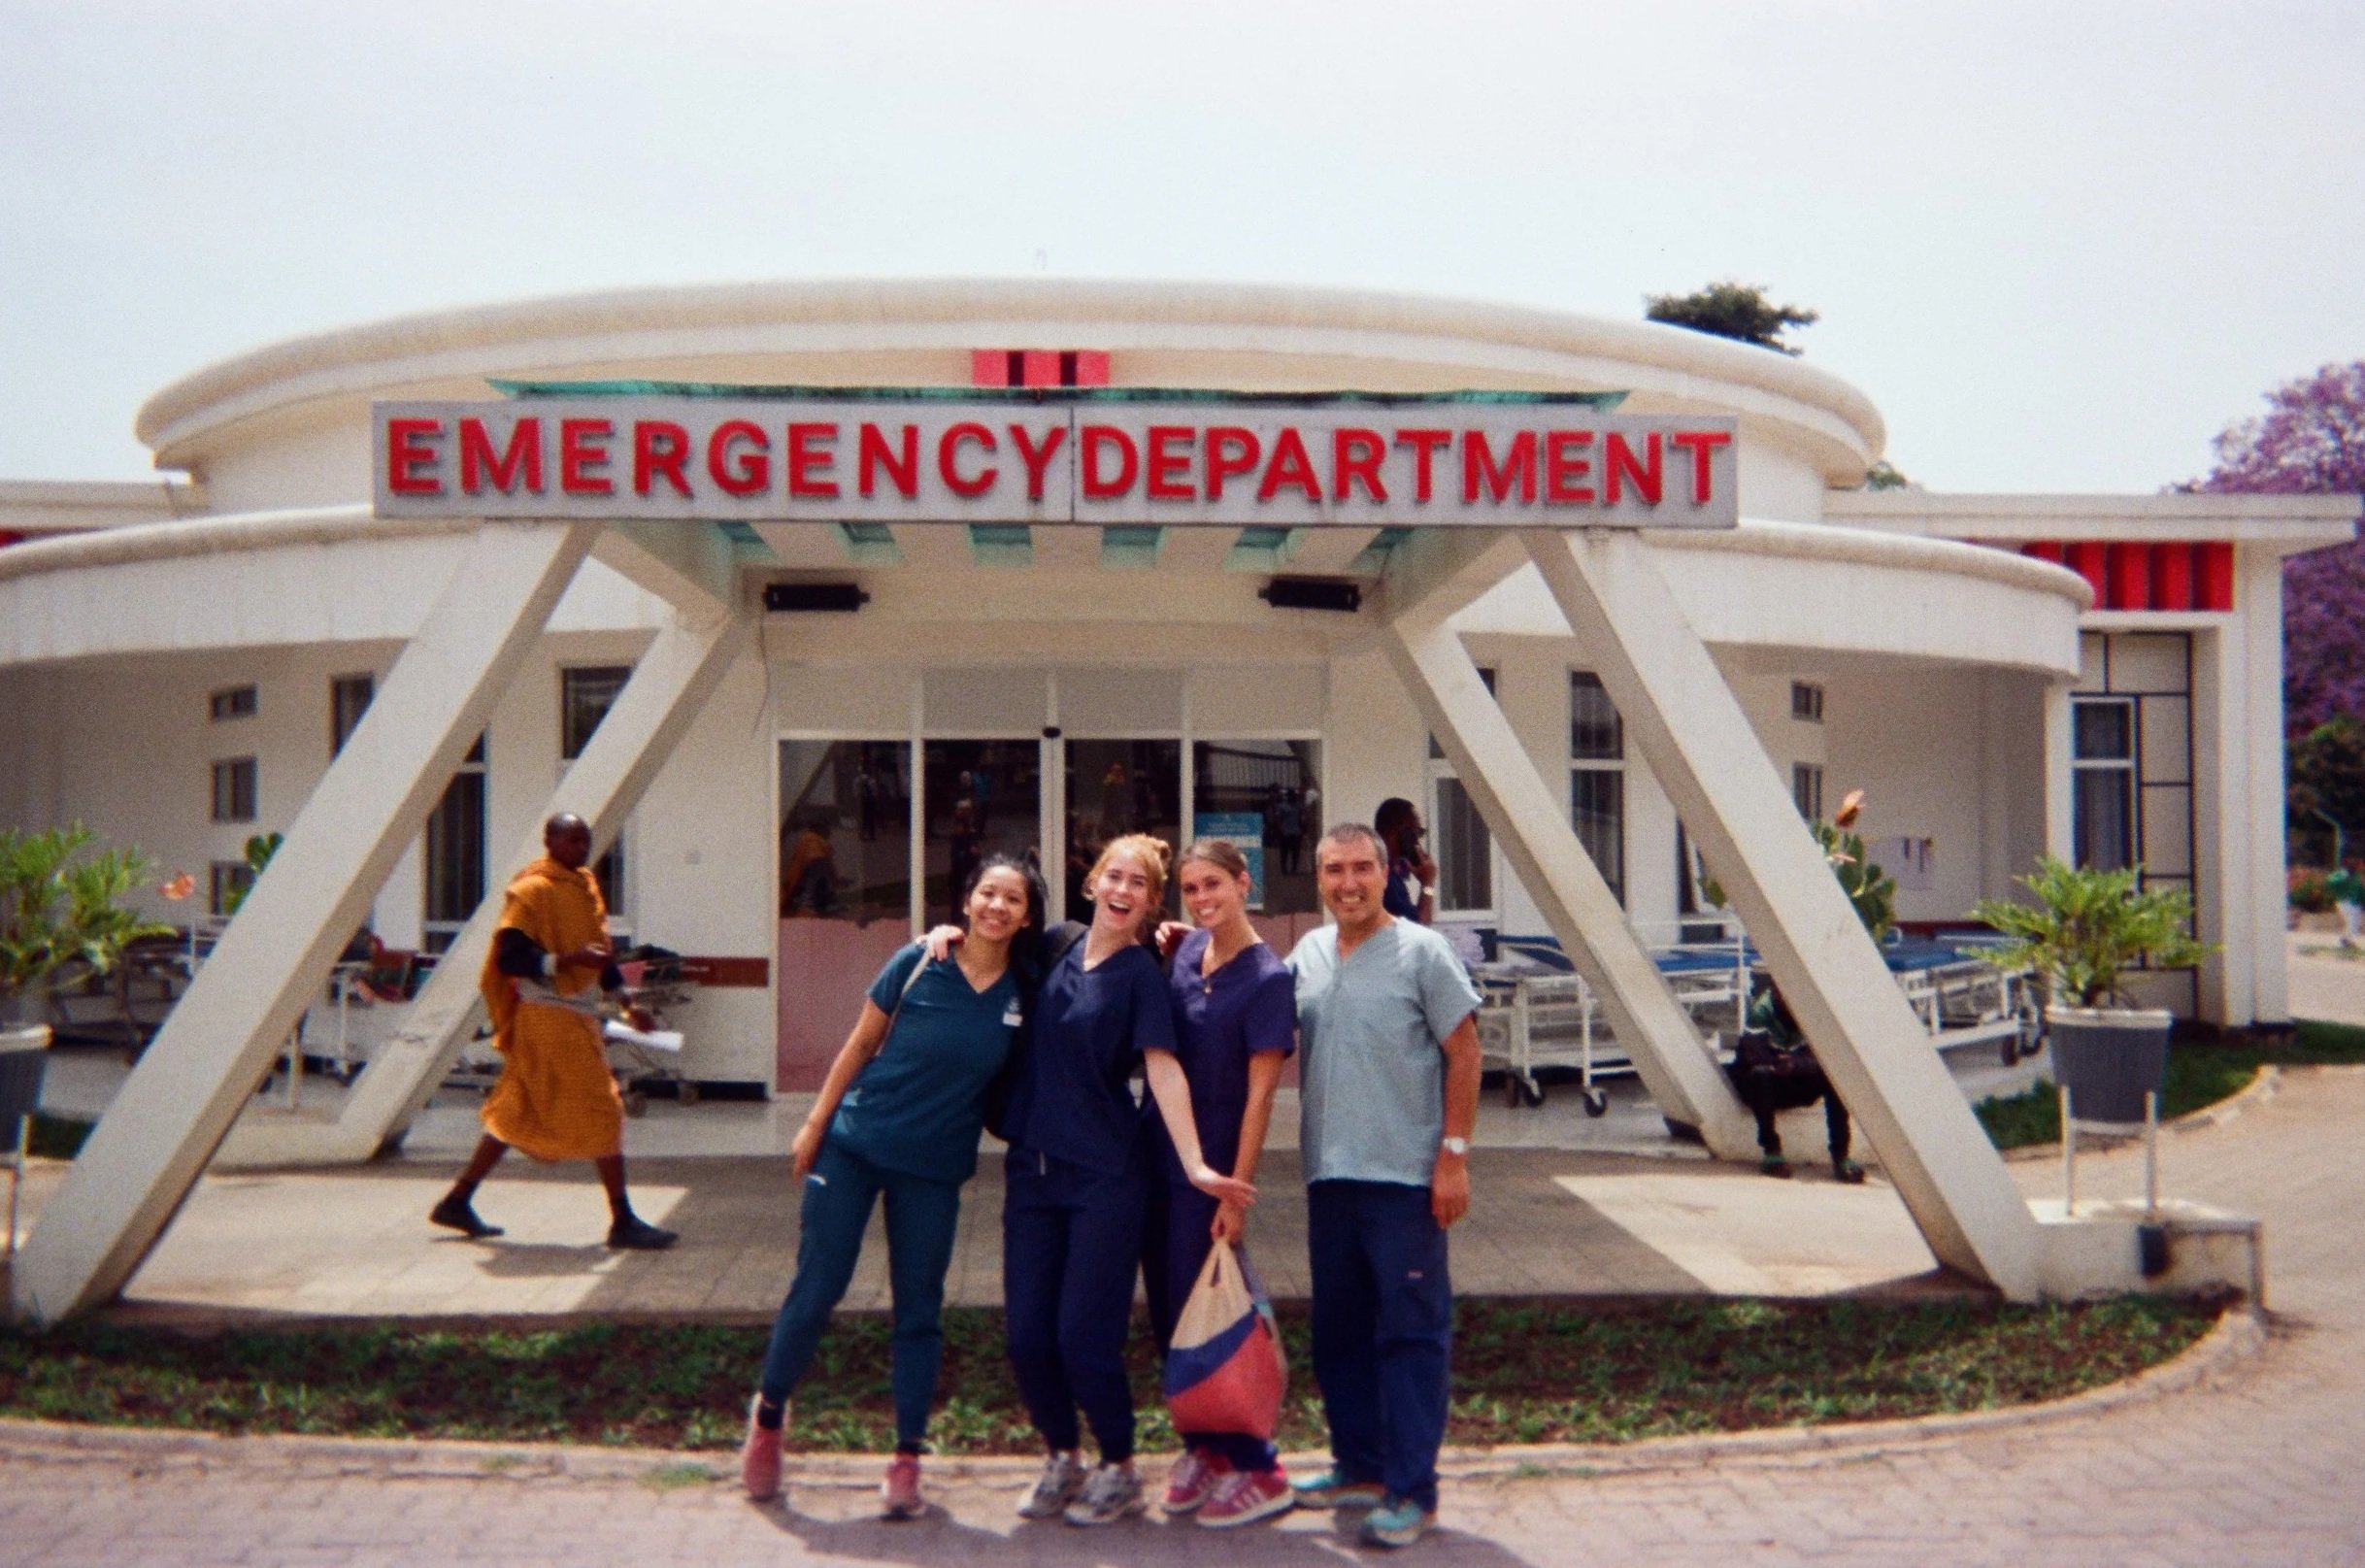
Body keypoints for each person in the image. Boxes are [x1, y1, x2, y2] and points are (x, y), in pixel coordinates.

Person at [944, 834, 1255, 1527]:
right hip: (1032, 1174)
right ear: (1092, 883)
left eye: (1139, 883)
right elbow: (988, 949)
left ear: (1149, 902)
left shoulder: (1145, 972)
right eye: (1114, 875)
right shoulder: (1052, 942)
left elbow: (1163, 1066)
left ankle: (1118, 1462)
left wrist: (1199, 1162)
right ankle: (1062, 1454)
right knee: (1027, 1336)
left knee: (1084, 1335)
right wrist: (946, 932)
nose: (1123, 889)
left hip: (1107, 1179)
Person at [740, 854, 1043, 1520]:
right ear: (967, 900)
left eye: (1012, 898)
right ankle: (767, 1417)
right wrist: (814, 1124)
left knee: (919, 1309)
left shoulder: (1027, 988)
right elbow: (859, 1043)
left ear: (1026, 914)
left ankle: (907, 1456)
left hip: (933, 1169)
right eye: (987, 891)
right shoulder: (918, 961)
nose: (997, 905)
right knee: (817, 1287)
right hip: (854, 1147)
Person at [1285, 822, 1482, 1550]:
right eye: (1333, 869)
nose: (1348, 882)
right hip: (1329, 1177)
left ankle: (1412, 1489)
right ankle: (1359, 1466)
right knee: (1338, 1332)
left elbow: (1464, 1051)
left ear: (1383, 871)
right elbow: (1250, 1003)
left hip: (1405, 1181)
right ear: (1320, 879)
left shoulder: (1423, 952)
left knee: (1409, 1334)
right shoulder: (1306, 951)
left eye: (1361, 867)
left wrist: (1453, 1156)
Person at [429, 813, 676, 1251]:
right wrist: (565, 959)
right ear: (550, 840)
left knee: (515, 1109)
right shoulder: (530, 891)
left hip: (575, 1015)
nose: (581, 848)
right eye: (573, 840)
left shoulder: (585, 888)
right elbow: (509, 958)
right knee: (605, 1109)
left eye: (586, 841)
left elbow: (601, 959)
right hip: (546, 1016)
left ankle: (458, 1199)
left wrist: (627, 1004)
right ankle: (622, 1220)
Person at [1143, 839, 1296, 1528]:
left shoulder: (1267, 977)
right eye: (1191, 888)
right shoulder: (1183, 954)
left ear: (1244, 883)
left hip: (1211, 1180)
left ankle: (1260, 1464)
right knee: (1176, 1317)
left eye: (1214, 885)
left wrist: (1236, 1192)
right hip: (1160, 1164)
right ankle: (1204, 1447)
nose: (1202, 899)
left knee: (1225, 1320)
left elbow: (1261, 1097)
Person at [1729, 979, 1864, 1184]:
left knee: (1835, 1079)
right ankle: (1772, 1153)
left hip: (1795, 1077)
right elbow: (1751, 1055)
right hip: (1764, 1086)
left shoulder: (1812, 1013)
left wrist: (1795, 1065)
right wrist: (1777, 1064)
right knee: (1760, 1074)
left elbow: (1826, 1058)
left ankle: (1841, 1156)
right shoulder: (1761, 1010)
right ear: (1775, 993)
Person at [1374, 797, 1437, 925]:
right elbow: (1419, 929)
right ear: (1400, 832)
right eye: (1417, 832)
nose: (1418, 842)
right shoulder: (1386, 881)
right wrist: (1428, 884)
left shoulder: (1386, 872)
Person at [2329, 858, 2365, 949]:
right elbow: (2332, 881)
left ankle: (2346, 940)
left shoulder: (2356, 877)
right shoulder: (2345, 875)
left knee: (2352, 922)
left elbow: (2361, 892)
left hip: (2347, 902)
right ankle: (2348, 940)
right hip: (2348, 902)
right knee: (2353, 922)